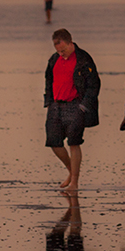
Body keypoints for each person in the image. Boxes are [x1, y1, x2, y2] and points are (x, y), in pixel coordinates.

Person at [44, 29, 100, 191]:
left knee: (74, 142)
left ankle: (74, 181)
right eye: (58, 51)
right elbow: (48, 79)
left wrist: (84, 106)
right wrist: (48, 100)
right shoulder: (54, 59)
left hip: (76, 105)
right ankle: (71, 171)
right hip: (55, 105)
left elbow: (94, 84)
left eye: (63, 50)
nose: (61, 53)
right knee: (54, 142)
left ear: (70, 42)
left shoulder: (83, 59)